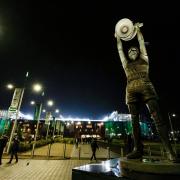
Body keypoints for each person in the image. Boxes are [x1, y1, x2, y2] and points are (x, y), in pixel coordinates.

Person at [114, 22, 177, 161]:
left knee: (158, 119)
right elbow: (120, 50)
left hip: (146, 88)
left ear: (138, 52)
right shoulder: (126, 64)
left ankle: (169, 151)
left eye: (134, 50)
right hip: (131, 91)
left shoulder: (144, 59)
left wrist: (137, 31)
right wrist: (118, 38)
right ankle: (137, 149)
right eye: (129, 51)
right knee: (134, 121)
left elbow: (141, 42)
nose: (132, 52)